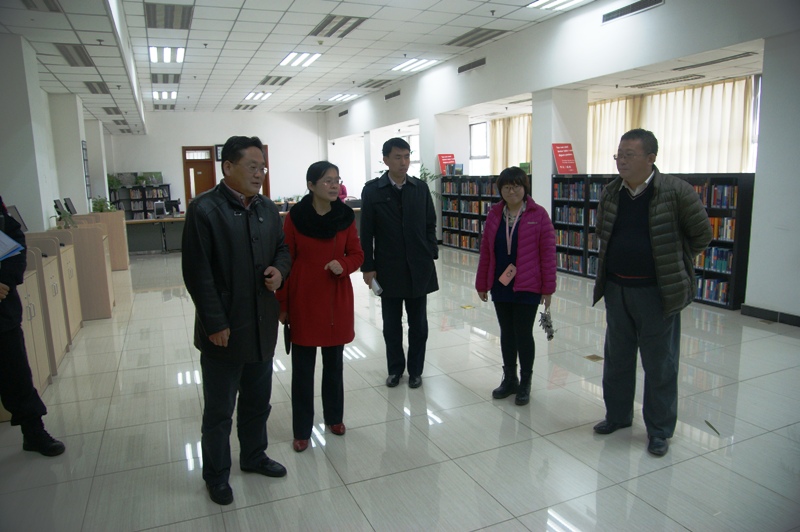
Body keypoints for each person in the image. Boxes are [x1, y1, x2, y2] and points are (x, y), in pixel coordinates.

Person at [182, 136, 292, 506]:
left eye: (263, 167)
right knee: (219, 410)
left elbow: (282, 249)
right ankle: (216, 475)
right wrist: (214, 323)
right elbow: (197, 273)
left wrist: (280, 270)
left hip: (262, 324)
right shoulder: (204, 210)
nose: (260, 174)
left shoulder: (266, 208)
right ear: (228, 167)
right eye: (252, 167)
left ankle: (254, 455)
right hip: (224, 330)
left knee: (258, 401)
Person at [592, 128, 712, 457]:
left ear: (651, 158)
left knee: (660, 364)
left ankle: (659, 430)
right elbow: (603, 232)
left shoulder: (676, 191)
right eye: (618, 155)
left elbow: (702, 235)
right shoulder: (611, 192)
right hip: (617, 288)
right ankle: (617, 416)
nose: (621, 161)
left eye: (629, 155)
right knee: (617, 358)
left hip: (657, 293)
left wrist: (674, 263)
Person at [277, 161, 364, 453]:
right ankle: (302, 429)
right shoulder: (295, 218)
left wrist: (344, 264)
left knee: (334, 366)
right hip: (303, 299)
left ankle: (334, 418)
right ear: (311, 185)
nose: (334, 185)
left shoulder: (345, 216)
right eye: (327, 180)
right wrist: (282, 304)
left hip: (336, 299)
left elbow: (357, 254)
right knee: (303, 371)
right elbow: (285, 260)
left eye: (337, 179)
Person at [361, 137, 438, 388]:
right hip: (389, 268)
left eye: (407, 156)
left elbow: (430, 223)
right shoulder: (373, 191)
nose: (403, 162)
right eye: (397, 157)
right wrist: (368, 267)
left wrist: (430, 251)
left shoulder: (419, 188)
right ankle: (395, 370)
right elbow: (366, 233)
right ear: (385, 160)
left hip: (418, 268)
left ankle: (415, 371)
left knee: (419, 326)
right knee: (392, 326)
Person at [475, 167, 556, 406]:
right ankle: (509, 379)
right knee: (507, 333)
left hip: (528, 285)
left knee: (523, 333)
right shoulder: (494, 215)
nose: (512, 191)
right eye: (507, 187)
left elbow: (548, 254)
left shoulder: (538, 215)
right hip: (501, 284)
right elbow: (486, 251)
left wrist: (548, 289)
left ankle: (525, 382)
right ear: (500, 190)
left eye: (517, 186)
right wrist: (482, 283)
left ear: (525, 187)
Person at [0, 197, 65, 457]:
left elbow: (15, 246)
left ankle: (33, 432)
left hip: (2, 311)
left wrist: (4, 281)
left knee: (16, 375)